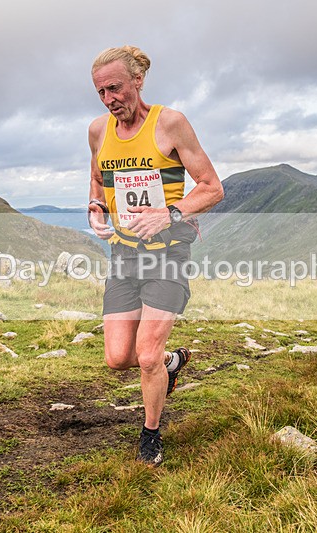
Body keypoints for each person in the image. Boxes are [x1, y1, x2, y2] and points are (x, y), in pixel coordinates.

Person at [87, 46, 224, 466]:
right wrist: (96, 207)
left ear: (138, 81)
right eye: (101, 92)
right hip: (123, 256)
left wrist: (170, 212)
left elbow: (212, 187)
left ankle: (150, 433)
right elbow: (97, 177)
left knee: (145, 355)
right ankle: (171, 363)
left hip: (168, 253)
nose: (110, 99)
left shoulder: (171, 123)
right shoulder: (97, 131)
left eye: (116, 88)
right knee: (118, 358)